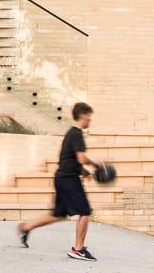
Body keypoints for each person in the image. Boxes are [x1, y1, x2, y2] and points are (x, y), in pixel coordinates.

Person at [16, 102, 104, 260]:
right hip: (68, 180)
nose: (90, 120)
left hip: (62, 178)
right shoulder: (76, 134)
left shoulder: (70, 134)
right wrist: (97, 163)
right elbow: (80, 157)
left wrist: (82, 171)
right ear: (83, 115)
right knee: (85, 211)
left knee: (58, 214)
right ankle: (78, 249)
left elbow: (67, 159)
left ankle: (26, 227)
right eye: (89, 116)